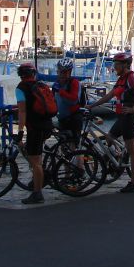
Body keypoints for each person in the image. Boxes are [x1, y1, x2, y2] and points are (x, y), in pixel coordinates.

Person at [87, 53, 134, 194]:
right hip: (121, 117)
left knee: (132, 150)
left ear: (125, 65)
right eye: (114, 64)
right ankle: (120, 157)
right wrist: (92, 105)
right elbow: (110, 96)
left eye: (117, 64)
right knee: (109, 137)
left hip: (129, 117)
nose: (114, 67)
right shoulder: (121, 79)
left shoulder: (131, 77)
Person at [14, 63, 52, 204]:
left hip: (35, 127)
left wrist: (20, 131)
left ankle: (37, 193)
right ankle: (40, 176)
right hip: (47, 124)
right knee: (37, 157)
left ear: (21, 75)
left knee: (35, 162)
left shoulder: (21, 88)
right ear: (33, 74)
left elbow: (22, 111)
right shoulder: (41, 85)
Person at [54, 58, 84, 142]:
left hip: (74, 117)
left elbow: (74, 100)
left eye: (66, 72)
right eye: (61, 72)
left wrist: (61, 92)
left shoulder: (74, 83)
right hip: (62, 118)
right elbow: (54, 100)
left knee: (73, 144)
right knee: (63, 143)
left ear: (70, 72)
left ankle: (78, 155)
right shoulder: (56, 83)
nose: (63, 74)